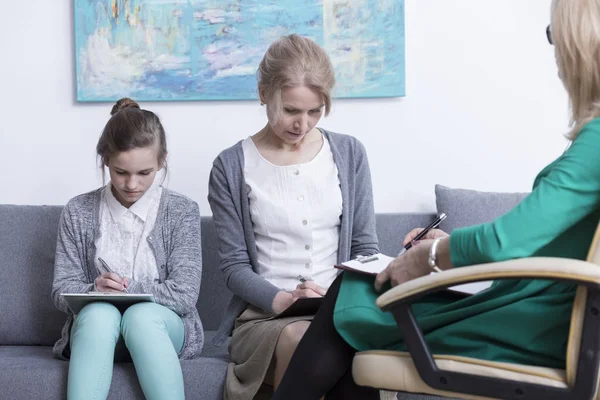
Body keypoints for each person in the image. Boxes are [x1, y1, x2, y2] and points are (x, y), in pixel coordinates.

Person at [273, 0, 600, 399]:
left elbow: (502, 242)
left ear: (579, 45)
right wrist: (441, 253)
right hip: (547, 317)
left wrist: (426, 259)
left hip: (532, 326)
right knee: (355, 296)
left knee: (351, 291)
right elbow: (536, 242)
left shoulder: (595, 142)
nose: (556, 56)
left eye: (555, 37)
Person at [207, 34, 380, 399]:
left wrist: (335, 295)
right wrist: (282, 299)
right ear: (262, 93)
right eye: (290, 110)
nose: (302, 124)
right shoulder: (230, 166)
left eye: (314, 111)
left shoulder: (349, 154)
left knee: (347, 342)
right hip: (267, 317)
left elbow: (366, 248)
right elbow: (234, 267)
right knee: (307, 339)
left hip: (339, 307)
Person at [51, 98, 203, 400]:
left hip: (161, 330)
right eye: (120, 172)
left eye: (144, 173)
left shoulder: (182, 211)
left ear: (162, 161)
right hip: (97, 332)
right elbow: (60, 291)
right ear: (105, 160)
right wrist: (94, 288)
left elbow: (185, 294)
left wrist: (128, 288)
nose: (132, 184)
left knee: (142, 318)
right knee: (98, 314)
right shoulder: (78, 210)